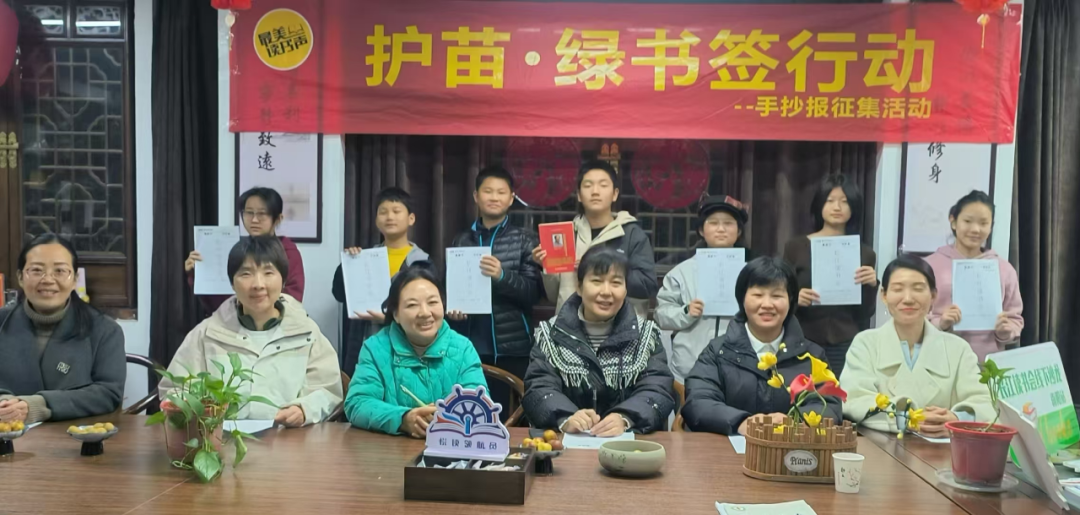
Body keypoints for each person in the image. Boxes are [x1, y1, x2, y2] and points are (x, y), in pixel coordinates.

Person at [162, 236, 342, 427]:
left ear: (283, 280)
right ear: (232, 283)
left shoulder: (306, 332)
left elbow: (328, 390)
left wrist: (304, 409)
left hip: (288, 438)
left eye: (268, 272)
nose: (258, 284)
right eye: (246, 274)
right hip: (220, 439)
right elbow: (174, 389)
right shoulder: (206, 333)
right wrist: (196, 408)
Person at [682, 256, 842, 436]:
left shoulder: (811, 355)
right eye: (758, 295)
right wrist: (741, 422)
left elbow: (830, 403)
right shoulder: (718, 351)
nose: (767, 304)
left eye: (777, 296)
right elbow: (698, 401)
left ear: (790, 300)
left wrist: (794, 422)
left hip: (793, 448)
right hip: (728, 447)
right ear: (742, 299)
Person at [523, 247, 675, 435]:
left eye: (616, 283)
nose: (606, 291)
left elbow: (657, 389)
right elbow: (538, 387)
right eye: (597, 281)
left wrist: (625, 418)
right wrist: (566, 417)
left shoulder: (646, 335)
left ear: (626, 289)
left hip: (629, 445)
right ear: (579, 287)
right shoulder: (550, 334)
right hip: (568, 443)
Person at [841, 255, 994, 437]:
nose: (908, 299)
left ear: (933, 296)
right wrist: (907, 417)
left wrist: (956, 419)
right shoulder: (865, 344)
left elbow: (985, 403)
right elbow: (854, 400)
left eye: (918, 289)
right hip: (881, 448)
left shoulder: (958, 349)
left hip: (944, 450)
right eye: (898, 289)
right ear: (884, 295)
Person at [345, 262, 488, 438]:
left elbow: (479, 403)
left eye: (432, 302)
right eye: (412, 305)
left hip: (452, 447)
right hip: (391, 450)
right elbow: (357, 403)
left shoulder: (463, 348)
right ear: (395, 314)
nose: (425, 313)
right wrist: (402, 419)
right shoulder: (375, 348)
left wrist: (448, 417)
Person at [445, 165, 541, 420]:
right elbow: (450, 290)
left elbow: (533, 293)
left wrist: (502, 276)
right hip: (469, 343)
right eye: (488, 191)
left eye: (501, 192)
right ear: (476, 196)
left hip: (512, 347)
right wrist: (452, 311)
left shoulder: (525, 239)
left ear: (511, 198)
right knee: (472, 413)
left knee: (514, 417)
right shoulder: (461, 240)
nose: (494, 197)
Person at [0, 234, 125, 424]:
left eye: (59, 271)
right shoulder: (2, 321)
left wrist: (39, 406)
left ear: (75, 279)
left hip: (74, 436)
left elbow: (109, 393)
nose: (48, 280)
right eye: (36, 270)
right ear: (20, 277)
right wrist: (5, 405)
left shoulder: (105, 330)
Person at [533, 160, 658, 318]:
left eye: (603, 185)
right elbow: (554, 296)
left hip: (621, 328)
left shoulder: (631, 234)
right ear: (579, 195)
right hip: (571, 326)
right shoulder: (567, 234)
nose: (595, 192)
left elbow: (648, 285)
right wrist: (546, 266)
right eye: (588, 185)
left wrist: (602, 269)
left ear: (615, 194)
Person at [782, 174, 878, 376]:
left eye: (844, 202)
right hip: (803, 336)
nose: (837, 207)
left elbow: (865, 314)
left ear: (854, 207)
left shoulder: (864, 253)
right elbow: (779, 292)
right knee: (802, 392)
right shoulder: (795, 247)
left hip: (845, 340)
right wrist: (795, 299)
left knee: (840, 392)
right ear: (819, 205)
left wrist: (871, 286)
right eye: (830, 200)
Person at [332, 187, 430, 377]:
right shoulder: (364, 259)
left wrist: (388, 318)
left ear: (411, 218)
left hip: (407, 349)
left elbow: (426, 312)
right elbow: (339, 294)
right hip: (364, 345)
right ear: (377, 220)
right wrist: (348, 265)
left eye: (396, 211)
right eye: (383, 212)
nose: (389, 217)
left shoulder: (422, 262)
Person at [657, 195, 753, 383]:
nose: (721, 229)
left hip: (740, 367)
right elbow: (661, 315)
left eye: (728, 223)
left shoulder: (752, 273)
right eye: (713, 223)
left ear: (739, 231)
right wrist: (686, 312)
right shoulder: (681, 272)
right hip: (689, 368)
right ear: (701, 230)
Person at [925, 191, 1023, 362]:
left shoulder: (1004, 269)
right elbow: (916, 316)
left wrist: (1005, 331)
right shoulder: (930, 265)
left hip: (987, 364)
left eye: (984, 223)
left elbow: (1015, 318)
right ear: (953, 221)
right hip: (939, 361)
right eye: (968, 221)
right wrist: (940, 323)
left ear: (991, 226)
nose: (975, 229)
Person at [185, 187, 306, 314]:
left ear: (278, 219)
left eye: (261, 214)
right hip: (233, 320)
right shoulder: (237, 250)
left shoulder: (287, 252)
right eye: (249, 212)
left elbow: (292, 299)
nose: (254, 220)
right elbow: (218, 304)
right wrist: (198, 273)